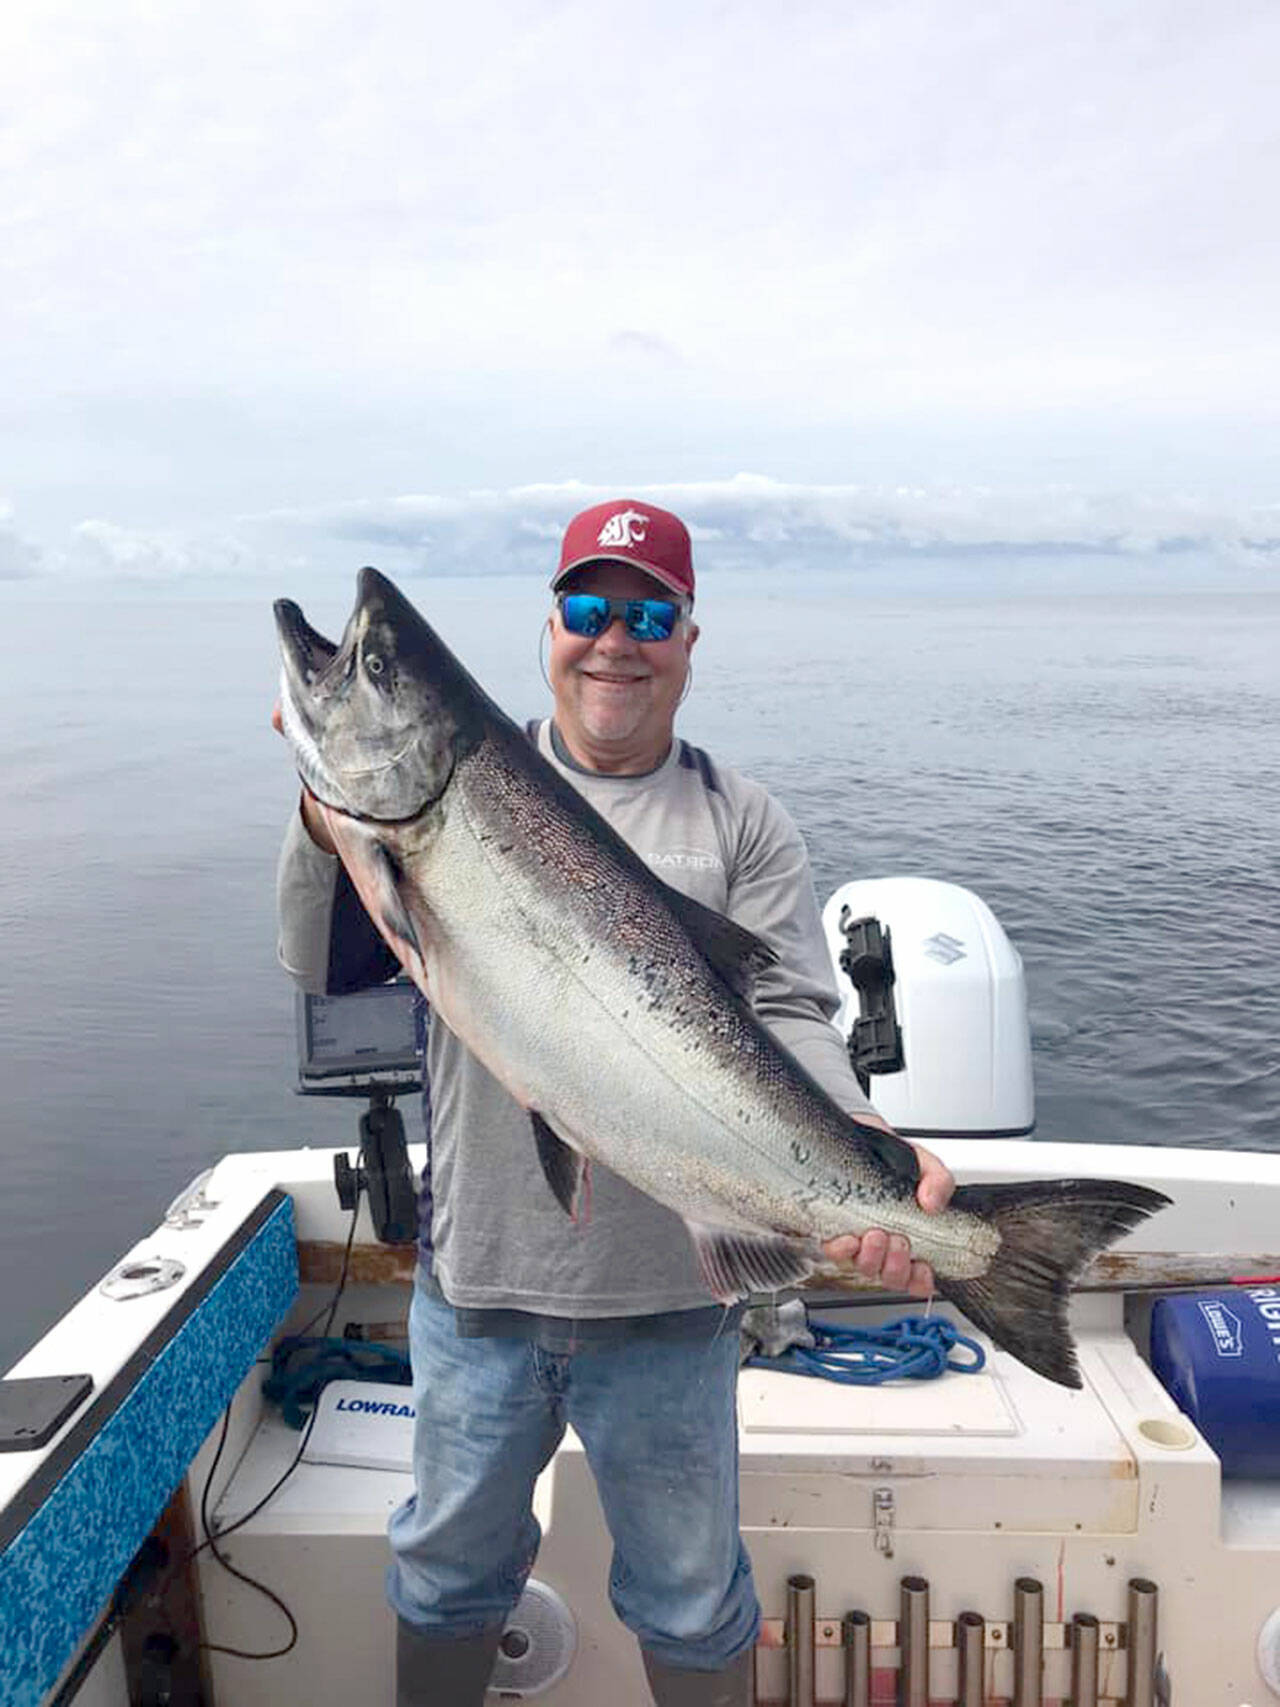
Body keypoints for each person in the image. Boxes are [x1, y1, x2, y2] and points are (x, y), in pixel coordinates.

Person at [275, 499, 955, 1707]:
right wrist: (321, 826)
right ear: (549, 629)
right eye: (588, 610)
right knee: (441, 1577)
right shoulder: (443, 801)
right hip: (480, 1281)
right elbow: (316, 964)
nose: (614, 641)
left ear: (690, 638)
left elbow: (793, 1011)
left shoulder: (741, 821)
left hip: (671, 1300)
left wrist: (863, 1144)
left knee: (692, 1595)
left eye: (647, 614)